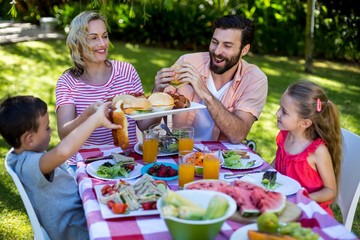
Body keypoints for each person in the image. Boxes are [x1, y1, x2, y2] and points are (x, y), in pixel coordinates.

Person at [0, 95, 120, 240]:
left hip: (84, 214)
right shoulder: (28, 166)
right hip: (79, 230)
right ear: (30, 139)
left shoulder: (27, 154)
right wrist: (95, 121)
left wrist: (88, 113)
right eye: (47, 128)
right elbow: (62, 152)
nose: (50, 131)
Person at [56, 11, 155, 167]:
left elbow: (144, 126)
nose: (102, 44)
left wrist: (158, 98)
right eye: (93, 38)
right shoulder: (67, 82)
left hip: (128, 159)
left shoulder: (126, 71)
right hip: (85, 162)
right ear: (78, 43)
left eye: (105, 36)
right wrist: (89, 114)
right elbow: (63, 133)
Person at [153, 14, 268, 143]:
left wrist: (205, 93)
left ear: (244, 50)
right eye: (215, 42)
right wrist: (156, 91)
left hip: (220, 157)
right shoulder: (188, 62)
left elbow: (238, 135)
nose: (217, 51)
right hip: (180, 150)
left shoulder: (254, 79)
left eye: (227, 46)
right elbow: (148, 121)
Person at [273, 80, 342, 216]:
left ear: (305, 123)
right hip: (285, 207)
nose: (277, 113)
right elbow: (275, 165)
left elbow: (330, 190)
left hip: (312, 213)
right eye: (279, 107)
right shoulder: (284, 137)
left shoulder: (317, 151)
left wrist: (305, 198)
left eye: (284, 112)